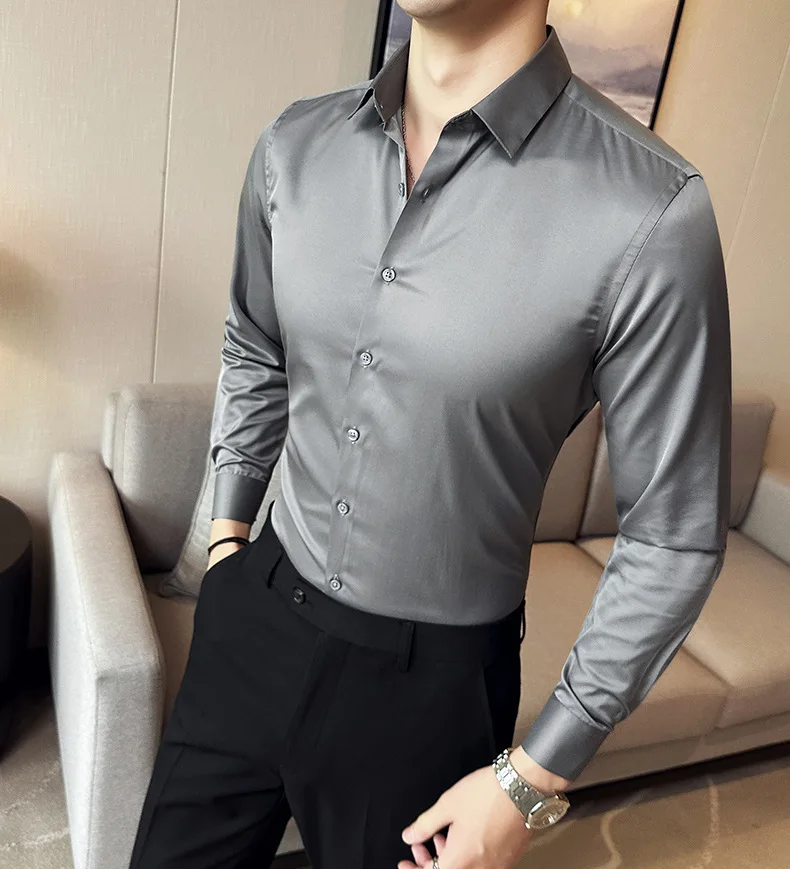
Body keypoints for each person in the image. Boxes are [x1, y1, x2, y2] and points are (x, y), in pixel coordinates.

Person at [128, 0, 731, 867]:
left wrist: (532, 778)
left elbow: (672, 536)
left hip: (431, 694)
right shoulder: (295, 147)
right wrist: (227, 542)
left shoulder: (650, 211)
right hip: (254, 613)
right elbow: (255, 345)